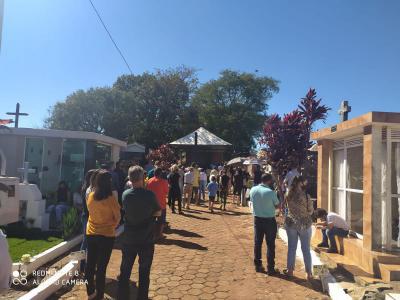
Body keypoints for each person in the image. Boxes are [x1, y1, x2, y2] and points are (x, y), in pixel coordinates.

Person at [117, 166, 161, 300]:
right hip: (146, 239)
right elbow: (158, 212)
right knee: (144, 272)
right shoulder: (149, 195)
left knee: (125, 271)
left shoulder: (125, 194)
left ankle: (123, 296)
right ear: (143, 178)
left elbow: (124, 210)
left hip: (129, 238)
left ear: (130, 179)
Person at [85, 170, 121, 300]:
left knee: (90, 265)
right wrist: (111, 225)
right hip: (106, 235)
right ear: (108, 182)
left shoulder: (91, 196)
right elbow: (117, 217)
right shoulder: (111, 199)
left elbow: (90, 213)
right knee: (101, 268)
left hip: (91, 233)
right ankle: (99, 295)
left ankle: (90, 293)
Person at [284, 176, 313, 280]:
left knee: (292, 248)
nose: (306, 183)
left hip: (291, 223)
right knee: (306, 249)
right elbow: (310, 211)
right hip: (304, 224)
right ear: (300, 183)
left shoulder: (288, 194)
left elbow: (286, 207)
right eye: (305, 182)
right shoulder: (306, 196)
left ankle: (290, 270)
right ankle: (309, 273)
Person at [250, 173, 280, 275]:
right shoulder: (271, 192)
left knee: (258, 243)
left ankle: (258, 265)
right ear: (268, 181)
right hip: (269, 221)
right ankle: (270, 268)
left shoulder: (253, 189)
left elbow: (252, 201)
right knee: (270, 244)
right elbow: (277, 206)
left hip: (257, 220)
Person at [79, 169, 97, 272]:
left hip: (86, 216)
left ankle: (84, 265)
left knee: (87, 241)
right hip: (87, 216)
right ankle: (83, 265)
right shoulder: (90, 189)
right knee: (86, 241)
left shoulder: (85, 187)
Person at [147, 167, 169, 240]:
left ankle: (152, 234)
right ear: (160, 174)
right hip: (161, 204)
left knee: (152, 220)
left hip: (151, 205)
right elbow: (166, 192)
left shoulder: (149, 181)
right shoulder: (164, 181)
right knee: (161, 220)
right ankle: (159, 234)